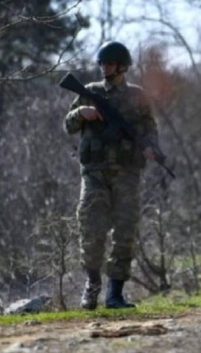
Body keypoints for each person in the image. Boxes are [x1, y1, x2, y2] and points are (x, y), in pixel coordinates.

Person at [64, 41, 159, 309]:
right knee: (91, 230)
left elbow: (150, 129)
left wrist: (152, 148)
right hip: (94, 174)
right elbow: (68, 125)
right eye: (102, 63)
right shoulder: (89, 92)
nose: (105, 67)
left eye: (110, 63)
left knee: (125, 232)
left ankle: (115, 294)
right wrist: (80, 113)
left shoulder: (138, 96)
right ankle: (92, 285)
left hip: (128, 173)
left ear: (123, 66)